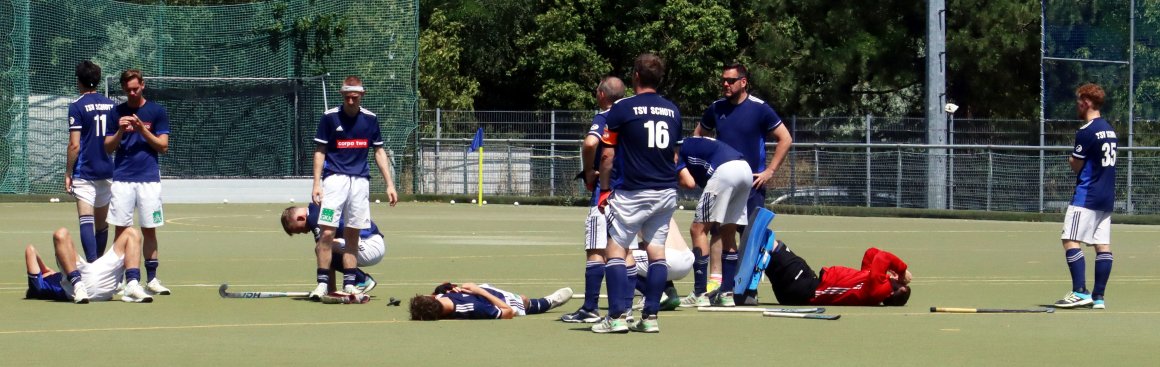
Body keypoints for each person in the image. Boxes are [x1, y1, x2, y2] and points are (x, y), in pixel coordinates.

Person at [592, 53, 682, 334]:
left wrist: (605, 190)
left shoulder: (623, 108)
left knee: (615, 251)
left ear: (636, 77)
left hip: (632, 191)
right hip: (666, 191)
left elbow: (607, 155)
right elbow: (675, 156)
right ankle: (650, 317)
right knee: (657, 254)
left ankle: (617, 317)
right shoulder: (673, 110)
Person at [693, 63, 792, 303]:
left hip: (752, 184)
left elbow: (785, 138)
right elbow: (698, 137)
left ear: (743, 82)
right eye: (723, 80)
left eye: (731, 80)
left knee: (750, 237)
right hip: (724, 183)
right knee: (718, 231)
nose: (725, 84)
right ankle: (721, 286)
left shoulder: (760, 109)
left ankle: (749, 289)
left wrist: (769, 171)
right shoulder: (716, 109)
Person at [309, 75, 399, 299]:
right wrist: (317, 183)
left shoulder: (370, 119)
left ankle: (350, 283)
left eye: (355, 97)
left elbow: (378, 151)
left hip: (359, 184)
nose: (351, 101)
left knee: (352, 234)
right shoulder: (329, 118)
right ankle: (322, 284)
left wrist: (390, 184)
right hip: (334, 182)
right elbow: (320, 151)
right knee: (327, 232)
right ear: (342, 95)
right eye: (348, 97)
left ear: (362, 96)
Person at [560, 76, 628, 324]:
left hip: (606, 189)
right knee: (624, 250)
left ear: (601, 94)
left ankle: (590, 307)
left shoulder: (606, 116)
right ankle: (626, 307)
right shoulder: (633, 116)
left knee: (596, 248)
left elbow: (590, 143)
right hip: (631, 189)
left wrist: (589, 170)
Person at [104, 69, 171, 296]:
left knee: (149, 229)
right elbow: (108, 148)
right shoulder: (116, 112)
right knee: (121, 230)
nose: (132, 93)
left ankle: (152, 279)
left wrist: (142, 129)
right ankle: (120, 280)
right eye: (128, 89)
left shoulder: (157, 111)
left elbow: (163, 146)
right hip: (122, 179)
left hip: (149, 180)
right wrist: (121, 130)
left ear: (143, 85)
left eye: (136, 88)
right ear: (123, 88)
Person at [1054, 83, 1117, 310]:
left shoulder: (1086, 131)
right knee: (1102, 245)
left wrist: (1072, 162)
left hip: (1087, 195)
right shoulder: (1109, 129)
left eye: (1079, 101)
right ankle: (1098, 297)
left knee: (1070, 239)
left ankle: (1080, 291)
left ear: (1087, 102)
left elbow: (1076, 164)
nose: (1077, 105)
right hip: (1106, 196)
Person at [672, 136, 752, 307]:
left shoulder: (673, 150)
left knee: (698, 230)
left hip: (725, 171)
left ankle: (700, 293)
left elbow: (689, 182)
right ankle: (727, 293)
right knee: (728, 232)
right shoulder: (692, 142)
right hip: (745, 169)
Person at [66, 60, 115, 263]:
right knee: (102, 224)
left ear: (79, 81)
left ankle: (93, 265)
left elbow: (74, 145)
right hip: (107, 170)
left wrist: (68, 173)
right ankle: (99, 265)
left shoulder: (77, 107)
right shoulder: (112, 106)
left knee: (86, 220)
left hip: (85, 172)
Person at [281, 203, 385, 299]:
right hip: (373, 242)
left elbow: (323, 251)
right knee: (324, 250)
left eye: (299, 230)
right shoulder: (318, 209)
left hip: (369, 245)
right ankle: (331, 289)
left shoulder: (313, 217)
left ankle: (362, 280)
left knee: (322, 248)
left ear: (300, 218)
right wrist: (331, 292)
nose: (304, 232)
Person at [24, 227, 153, 303]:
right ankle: (78, 285)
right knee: (60, 233)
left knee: (132, 232)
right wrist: (46, 269)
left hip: (93, 277)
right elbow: (30, 250)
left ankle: (132, 285)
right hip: (75, 288)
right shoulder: (38, 288)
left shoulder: (51, 277)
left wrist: (47, 270)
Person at [762, 241, 911, 306]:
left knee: (773, 245)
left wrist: (902, 270)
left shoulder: (877, 290)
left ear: (891, 293)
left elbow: (882, 257)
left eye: (899, 283)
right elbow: (871, 253)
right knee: (764, 255)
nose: (897, 278)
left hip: (805, 287)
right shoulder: (870, 284)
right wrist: (890, 272)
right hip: (805, 287)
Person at [409, 282, 573, 320]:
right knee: (523, 301)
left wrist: (444, 287)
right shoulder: (473, 307)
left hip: (483, 291)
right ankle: (549, 302)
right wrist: (478, 290)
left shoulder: (439, 300)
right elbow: (508, 312)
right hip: (502, 301)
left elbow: (435, 295)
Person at [630, 218, 695, 311]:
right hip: (688, 258)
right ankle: (670, 293)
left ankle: (657, 295)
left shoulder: (635, 209)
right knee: (655, 253)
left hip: (670, 259)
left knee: (617, 259)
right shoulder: (664, 206)